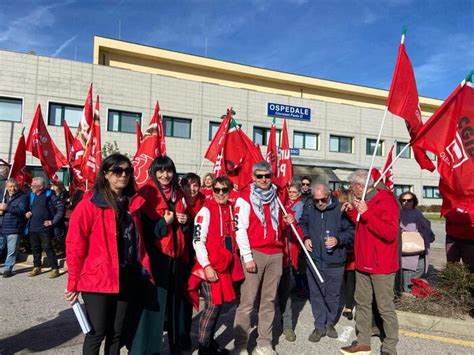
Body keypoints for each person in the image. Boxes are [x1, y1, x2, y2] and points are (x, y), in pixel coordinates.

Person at [65, 153, 151, 355]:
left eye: (127, 171)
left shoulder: (133, 204)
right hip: (98, 278)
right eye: (118, 171)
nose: (123, 175)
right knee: (97, 332)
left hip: (126, 276)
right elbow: (75, 245)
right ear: (105, 174)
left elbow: (139, 241)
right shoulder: (89, 204)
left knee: (117, 332)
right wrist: (73, 283)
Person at [129, 156, 192, 354]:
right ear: (154, 173)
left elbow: (187, 228)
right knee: (153, 308)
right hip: (156, 259)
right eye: (161, 171)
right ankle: (146, 350)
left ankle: (177, 345)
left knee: (176, 305)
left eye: (169, 171)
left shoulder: (179, 194)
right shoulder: (147, 193)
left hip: (176, 259)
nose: (165, 175)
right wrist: (163, 223)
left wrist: (185, 220)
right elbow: (141, 230)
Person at [233, 161, 293, 355]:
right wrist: (247, 256)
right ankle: (240, 344)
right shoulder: (244, 198)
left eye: (267, 176)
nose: (264, 180)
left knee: (269, 301)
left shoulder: (277, 196)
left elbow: (279, 228)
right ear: (253, 178)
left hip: (275, 253)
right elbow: (239, 229)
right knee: (247, 302)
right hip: (255, 253)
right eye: (259, 176)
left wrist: (286, 222)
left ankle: (264, 343)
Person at [341, 170, 400, 355]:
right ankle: (363, 343)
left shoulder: (386, 201)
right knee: (362, 303)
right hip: (363, 263)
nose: (351, 191)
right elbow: (363, 225)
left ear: (360, 186)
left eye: (352, 187)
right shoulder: (365, 201)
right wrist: (353, 213)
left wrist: (366, 213)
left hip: (381, 265)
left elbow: (389, 233)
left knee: (385, 307)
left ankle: (390, 346)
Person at [190, 176, 244, 355]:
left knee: (219, 306)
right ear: (212, 191)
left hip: (225, 266)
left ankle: (210, 344)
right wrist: (206, 266)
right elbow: (198, 241)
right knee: (212, 307)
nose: (220, 193)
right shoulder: (205, 211)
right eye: (217, 190)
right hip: (210, 266)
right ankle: (203, 349)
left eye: (224, 190)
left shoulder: (231, 209)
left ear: (230, 191)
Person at [299, 183, 353, 342]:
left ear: (329, 195)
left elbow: (351, 232)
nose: (320, 203)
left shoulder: (341, 209)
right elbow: (302, 224)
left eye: (323, 200)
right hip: (314, 260)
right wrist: (306, 237)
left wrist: (338, 240)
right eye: (317, 200)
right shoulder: (310, 206)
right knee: (316, 295)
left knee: (333, 294)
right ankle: (319, 326)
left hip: (335, 261)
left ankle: (330, 323)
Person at [277, 181, 304, 342]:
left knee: (285, 293)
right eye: (289, 191)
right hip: (272, 255)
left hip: (287, 255)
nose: (291, 194)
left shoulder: (298, 206)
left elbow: (299, 233)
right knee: (267, 296)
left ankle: (287, 325)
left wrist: (292, 222)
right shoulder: (279, 204)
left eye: (294, 192)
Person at [25, 177, 65, 278]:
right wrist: (27, 214)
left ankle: (55, 269)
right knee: (35, 248)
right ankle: (37, 267)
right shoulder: (32, 195)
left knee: (48, 248)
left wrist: (52, 221)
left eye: (33, 186)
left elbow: (61, 209)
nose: (31, 187)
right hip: (33, 226)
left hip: (45, 228)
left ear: (40, 187)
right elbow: (27, 208)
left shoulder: (49, 195)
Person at [399, 192, 435, 292]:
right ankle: (408, 295)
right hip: (408, 251)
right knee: (408, 276)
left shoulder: (417, 212)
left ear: (414, 201)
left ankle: (414, 293)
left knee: (419, 272)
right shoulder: (399, 213)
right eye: (403, 200)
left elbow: (426, 226)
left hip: (420, 251)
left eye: (409, 200)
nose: (406, 202)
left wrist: (427, 234)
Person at [0, 178, 28, 278]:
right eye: (10, 187)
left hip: (14, 227)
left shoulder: (23, 197)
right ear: (7, 187)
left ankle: (8, 269)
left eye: (15, 186)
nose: (13, 188)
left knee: (11, 251)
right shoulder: (3, 196)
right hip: (1, 226)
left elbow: (21, 210)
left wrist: (6, 207)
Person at [338, 190, 356, 321]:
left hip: (344, 248)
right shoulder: (353, 211)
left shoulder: (343, 212)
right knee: (350, 279)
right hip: (350, 249)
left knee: (346, 279)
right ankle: (348, 306)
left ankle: (347, 305)